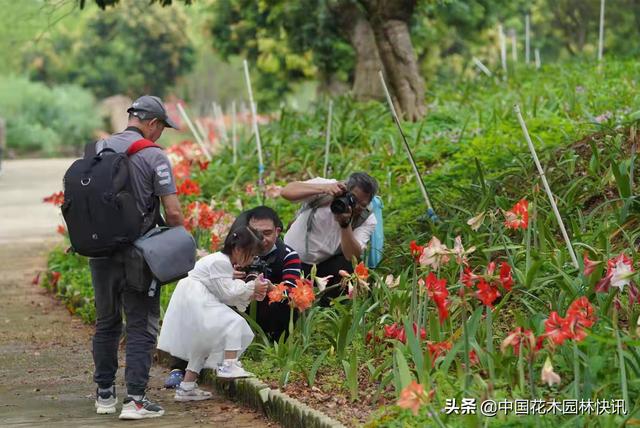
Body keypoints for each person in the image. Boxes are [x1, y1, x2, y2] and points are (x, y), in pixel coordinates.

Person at [91, 95, 184, 419]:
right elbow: (172, 211)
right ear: (153, 123)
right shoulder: (153, 155)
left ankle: (104, 395)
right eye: (161, 128)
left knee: (107, 322)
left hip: (99, 251)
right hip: (139, 254)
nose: (160, 135)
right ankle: (135, 401)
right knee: (142, 324)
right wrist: (182, 240)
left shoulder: (99, 150)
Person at [163, 206, 302, 388]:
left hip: (266, 308)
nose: (262, 239)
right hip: (229, 300)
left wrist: (270, 288)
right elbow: (221, 290)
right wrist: (233, 277)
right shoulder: (235, 254)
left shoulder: (288, 255)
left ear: (278, 231)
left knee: (281, 306)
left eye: (267, 233)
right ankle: (184, 368)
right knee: (215, 321)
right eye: (256, 233)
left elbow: (292, 293)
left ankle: (196, 379)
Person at [157, 226, 272, 401]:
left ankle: (187, 387)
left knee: (203, 343)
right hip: (196, 299)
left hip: (195, 298)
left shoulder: (222, 261)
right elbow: (229, 293)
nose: (252, 260)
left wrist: (252, 291)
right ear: (239, 249)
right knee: (234, 323)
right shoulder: (221, 262)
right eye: (251, 254)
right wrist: (251, 287)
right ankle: (229, 365)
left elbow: (227, 294)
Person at [282, 172, 379, 304]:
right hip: (291, 256)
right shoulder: (326, 188)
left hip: (323, 264)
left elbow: (352, 257)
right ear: (345, 189)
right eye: (353, 199)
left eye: (362, 204)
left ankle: (327, 309)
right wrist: (324, 188)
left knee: (348, 268)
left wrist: (345, 225)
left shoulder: (367, 219)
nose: (355, 207)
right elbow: (286, 192)